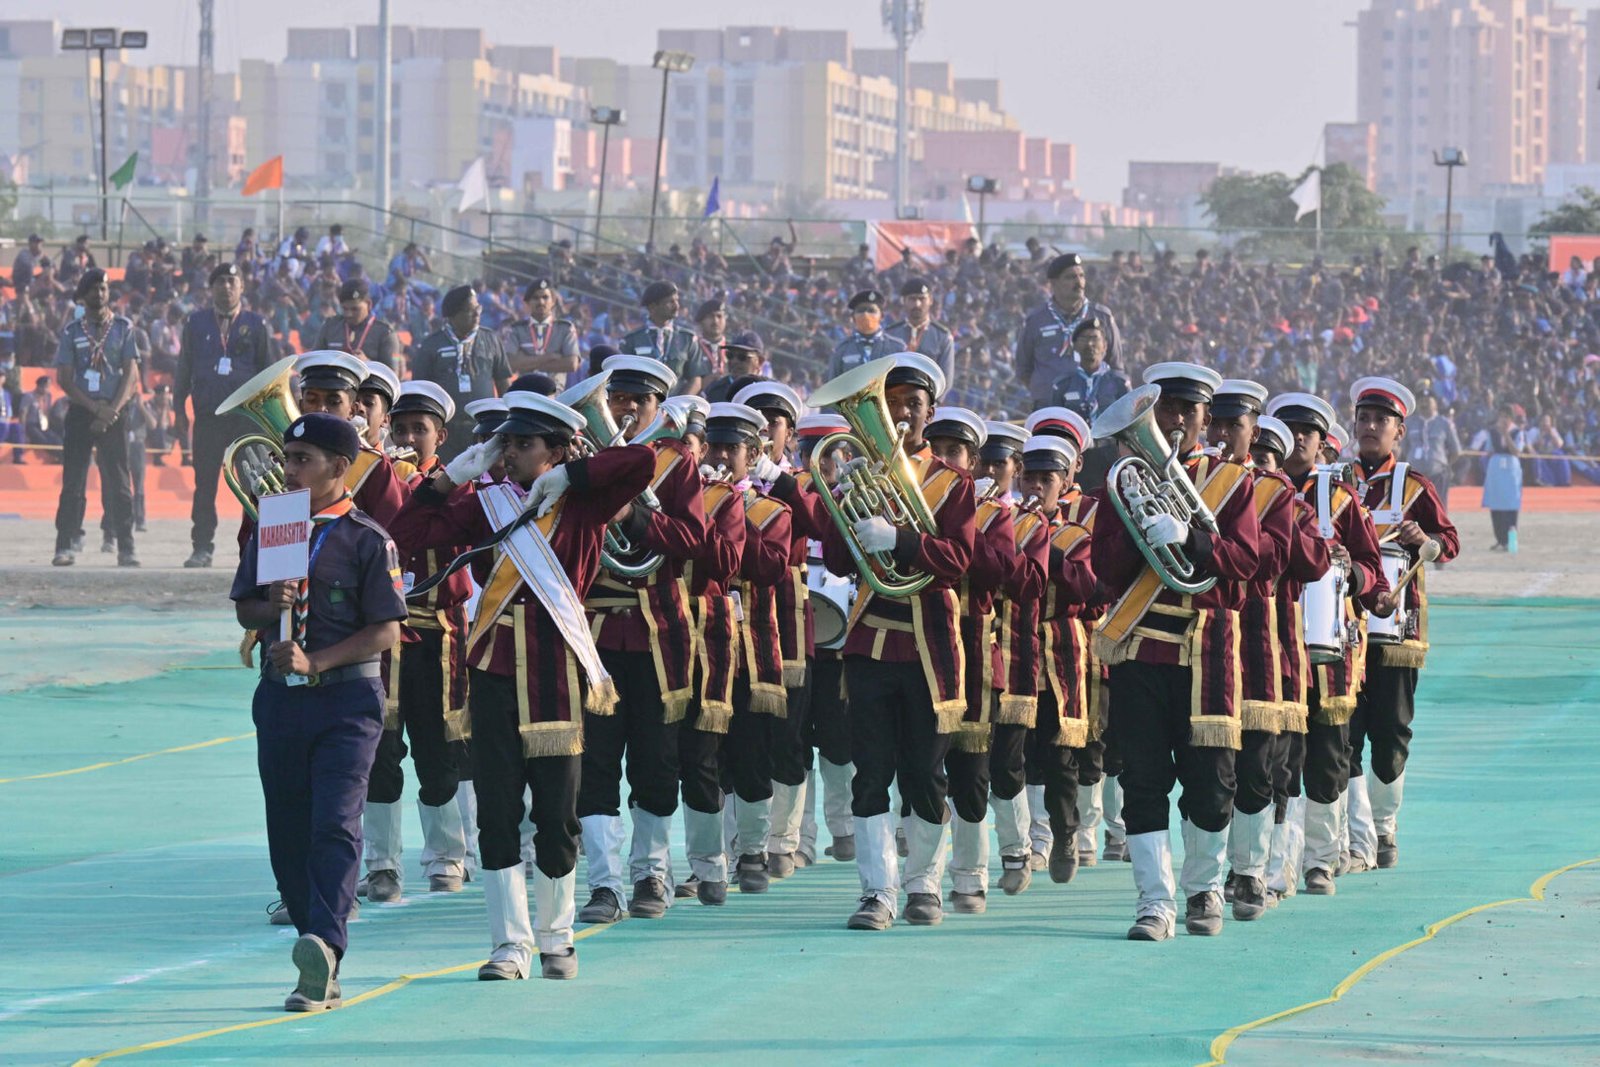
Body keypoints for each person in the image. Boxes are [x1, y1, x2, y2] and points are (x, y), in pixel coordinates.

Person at [390, 391, 655, 979]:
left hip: (556, 671)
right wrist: (447, 481)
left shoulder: (583, 503)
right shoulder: (485, 502)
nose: (508, 453)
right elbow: (406, 533)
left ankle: (557, 937)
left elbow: (642, 462)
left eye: (524, 443)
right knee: (498, 810)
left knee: (558, 814)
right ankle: (509, 944)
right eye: (505, 442)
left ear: (556, 451)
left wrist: (571, 475)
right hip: (492, 669)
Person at [230, 412, 407, 1011]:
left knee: (334, 822)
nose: (289, 469)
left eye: (302, 459)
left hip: (347, 702)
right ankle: (313, 944)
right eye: (287, 457)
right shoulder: (276, 524)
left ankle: (326, 945)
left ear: (340, 466)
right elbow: (246, 610)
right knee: (287, 828)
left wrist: (317, 660)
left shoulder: (366, 538)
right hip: (281, 699)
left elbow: (386, 631)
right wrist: (268, 603)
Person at [1090, 362, 1259, 941]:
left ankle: (1204, 889)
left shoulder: (1232, 482)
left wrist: (1190, 537)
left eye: (1191, 410)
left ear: (1206, 419)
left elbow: (1245, 565)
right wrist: (1141, 533)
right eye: (1169, 409)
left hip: (1208, 654)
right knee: (1142, 781)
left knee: (1212, 783)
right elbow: (1105, 570)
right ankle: (1154, 901)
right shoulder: (1124, 481)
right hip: (1140, 651)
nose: (1179, 420)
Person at [813, 353, 977, 930]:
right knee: (870, 772)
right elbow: (837, 560)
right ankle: (877, 891)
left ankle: (923, 883)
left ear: (931, 412)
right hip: (868, 645)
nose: (902, 413)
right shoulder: (864, 474)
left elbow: (958, 561)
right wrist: (840, 500)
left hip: (930, 647)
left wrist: (901, 540)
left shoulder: (953, 483)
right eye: (892, 402)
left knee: (924, 773)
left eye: (913, 404)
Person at [577, 355, 710, 923]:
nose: (628, 408)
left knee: (656, 762)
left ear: (659, 408)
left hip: (659, 634)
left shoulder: (676, 463)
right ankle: (604, 883)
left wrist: (633, 518)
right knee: (596, 763)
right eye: (618, 398)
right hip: (596, 634)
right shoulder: (583, 460)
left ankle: (650, 871)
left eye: (641, 400)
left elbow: (695, 540)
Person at [1265, 390, 1387, 896]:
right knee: (1277, 756)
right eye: (1289, 430)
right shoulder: (1255, 490)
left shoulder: (1341, 499)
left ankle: (1320, 859)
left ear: (1321, 443)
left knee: (1330, 755)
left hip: (1331, 651)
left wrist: (1351, 575)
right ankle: (1278, 866)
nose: (1298, 439)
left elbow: (1373, 568)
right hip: (1270, 645)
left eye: (1307, 433)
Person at [358, 382, 469, 904]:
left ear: (439, 437)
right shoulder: (372, 475)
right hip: (380, 635)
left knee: (438, 750)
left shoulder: (460, 484)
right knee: (379, 753)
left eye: (418, 430)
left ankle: (446, 857)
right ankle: (382, 866)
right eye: (399, 428)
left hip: (436, 635)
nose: (406, 437)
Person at [1347, 377, 1460, 870]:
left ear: (1400, 431)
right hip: (1343, 629)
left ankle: (1384, 826)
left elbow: (1449, 543)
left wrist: (1422, 540)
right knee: (1344, 731)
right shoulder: (1335, 480)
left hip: (1397, 632)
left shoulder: (1416, 486)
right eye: (1364, 419)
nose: (1370, 427)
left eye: (1381, 420)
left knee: (1391, 731)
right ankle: (1354, 833)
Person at [1207, 380, 1303, 921]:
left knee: (1258, 768)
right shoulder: (1194, 479)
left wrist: (1215, 540)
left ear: (1254, 431)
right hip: (1205, 641)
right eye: (1217, 424)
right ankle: (1214, 875)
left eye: (1235, 426)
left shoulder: (1273, 491)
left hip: (1258, 642)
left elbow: (1274, 555)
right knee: (1213, 770)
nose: (1224, 435)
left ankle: (1249, 872)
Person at [674, 408, 751, 905]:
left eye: (689, 447)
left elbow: (726, 562)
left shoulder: (725, 499)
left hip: (705, 638)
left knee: (702, 756)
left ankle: (710, 865)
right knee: (656, 758)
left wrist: (690, 511)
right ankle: (650, 872)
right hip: (646, 634)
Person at [175, 262, 273, 568]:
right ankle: (202, 547)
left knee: (255, 484)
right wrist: (178, 409)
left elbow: (269, 373)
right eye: (220, 281)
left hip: (246, 420)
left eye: (232, 281)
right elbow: (183, 369)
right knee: (204, 486)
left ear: (242, 286)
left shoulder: (256, 324)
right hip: (208, 418)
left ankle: (260, 547)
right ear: (211, 287)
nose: (226, 286)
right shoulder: (196, 323)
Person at [52, 269, 143, 568]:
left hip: (115, 412)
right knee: (73, 482)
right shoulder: (71, 331)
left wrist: (112, 410)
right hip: (82, 413)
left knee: (120, 483)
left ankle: (126, 546)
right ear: (83, 294)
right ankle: (65, 544)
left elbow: (131, 375)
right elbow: (65, 379)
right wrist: (95, 409)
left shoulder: (123, 328)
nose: (99, 293)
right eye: (93, 289)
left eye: (103, 288)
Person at [410, 286, 513, 463]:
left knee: (482, 475)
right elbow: (421, 391)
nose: (477, 313)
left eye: (478, 308)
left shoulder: (491, 339)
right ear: (452, 315)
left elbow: (503, 383)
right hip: (446, 432)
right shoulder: (432, 344)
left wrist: (508, 420)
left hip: (483, 429)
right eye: (469, 310)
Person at [1015, 253, 1122, 409]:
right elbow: (1023, 369)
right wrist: (1045, 392)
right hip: (1049, 408)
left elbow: (1116, 365)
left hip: (1093, 407)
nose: (1079, 282)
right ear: (1054, 283)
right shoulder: (1035, 320)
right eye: (1070, 277)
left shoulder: (1102, 316)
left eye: (1081, 276)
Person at [1050, 319, 1130, 490]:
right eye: (1084, 339)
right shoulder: (1063, 385)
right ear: (1075, 346)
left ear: (1105, 346)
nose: (1090, 344)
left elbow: (1129, 424)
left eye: (1095, 338)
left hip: (1110, 454)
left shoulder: (1119, 383)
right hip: (1078, 457)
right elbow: (1056, 427)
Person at [618, 282, 710, 396]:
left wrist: (679, 403)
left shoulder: (687, 339)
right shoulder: (632, 340)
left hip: (676, 404)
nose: (677, 306)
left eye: (677, 301)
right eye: (670, 302)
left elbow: (695, 380)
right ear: (652, 307)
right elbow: (624, 378)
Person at [502, 279, 581, 380]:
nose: (541, 302)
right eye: (535, 298)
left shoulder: (565, 329)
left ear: (553, 301)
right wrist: (548, 358)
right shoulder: (517, 330)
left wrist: (525, 362)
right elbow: (509, 363)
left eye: (545, 297)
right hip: (525, 387)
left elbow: (572, 364)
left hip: (554, 388)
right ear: (527, 302)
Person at [315, 279, 400, 370]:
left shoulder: (386, 333)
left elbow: (393, 373)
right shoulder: (330, 327)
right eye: (345, 309)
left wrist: (368, 364)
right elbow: (314, 360)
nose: (349, 314)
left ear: (369, 304)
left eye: (355, 309)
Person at [886, 277, 956, 383]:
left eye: (922, 299)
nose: (917, 304)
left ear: (930, 300)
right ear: (903, 301)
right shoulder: (890, 334)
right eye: (912, 299)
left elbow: (946, 379)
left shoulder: (942, 337)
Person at [828, 290, 906, 379]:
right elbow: (833, 383)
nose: (866, 314)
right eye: (861, 310)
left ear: (882, 316)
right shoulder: (842, 350)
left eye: (871, 310)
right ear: (853, 317)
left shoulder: (897, 348)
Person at [1481, 404, 1525, 550]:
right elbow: (1489, 450)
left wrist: (1506, 435)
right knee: (1496, 505)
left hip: (1511, 471)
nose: (1504, 419)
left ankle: (1510, 540)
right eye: (1501, 416)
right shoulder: (1492, 432)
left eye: (1507, 417)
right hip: (1496, 471)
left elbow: (1516, 451)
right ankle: (1500, 539)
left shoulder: (1517, 432)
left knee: (1511, 505)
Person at [1411, 394, 1461, 505]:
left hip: (1437, 474)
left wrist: (1443, 464)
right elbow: (1405, 447)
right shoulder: (1410, 423)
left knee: (1438, 506)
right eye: (1421, 401)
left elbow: (1456, 451)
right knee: (1415, 507)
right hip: (1414, 475)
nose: (1424, 404)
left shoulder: (1445, 424)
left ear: (1435, 405)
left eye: (1427, 401)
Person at [705, 332, 767, 402]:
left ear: (759, 361)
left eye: (742, 357)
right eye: (730, 355)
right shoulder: (714, 390)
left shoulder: (769, 392)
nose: (734, 361)